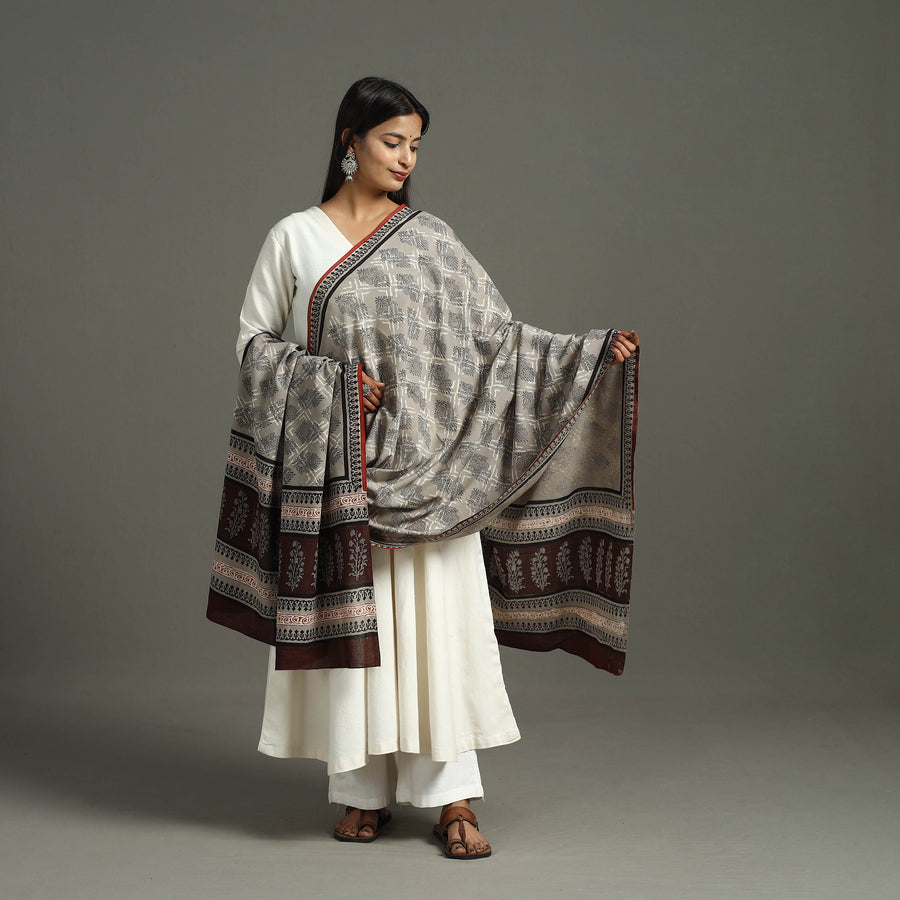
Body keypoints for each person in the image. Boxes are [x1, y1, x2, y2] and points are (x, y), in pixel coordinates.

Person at [210, 76, 638, 860]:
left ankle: (453, 799)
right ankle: (362, 790)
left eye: (415, 145)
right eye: (391, 141)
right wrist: (332, 384)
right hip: (342, 474)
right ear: (350, 142)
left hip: (437, 474)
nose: (406, 158)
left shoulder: (430, 238)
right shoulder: (295, 238)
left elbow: (497, 340)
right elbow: (253, 345)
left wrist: (583, 356)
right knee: (358, 631)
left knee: (440, 631)